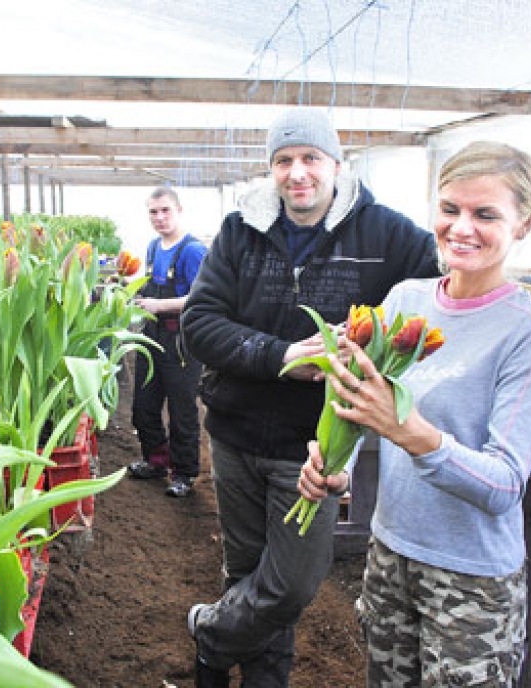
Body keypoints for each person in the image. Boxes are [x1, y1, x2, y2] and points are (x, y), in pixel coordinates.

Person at [180, 107, 440, 687]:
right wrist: (281, 356)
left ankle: (210, 638)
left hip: (316, 446)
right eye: (283, 160)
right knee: (246, 572)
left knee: (291, 584)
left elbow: (443, 284)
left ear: (337, 165)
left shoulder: (387, 235)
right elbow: (199, 322)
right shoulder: (240, 231)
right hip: (235, 432)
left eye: (310, 158)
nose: (297, 173)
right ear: (271, 169)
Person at [298, 141, 531, 686]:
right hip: (389, 554)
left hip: (470, 581)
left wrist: (412, 432)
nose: (461, 228)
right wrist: (337, 467)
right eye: (450, 209)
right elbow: (369, 414)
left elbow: (503, 484)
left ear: (525, 222)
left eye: (485, 214)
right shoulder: (406, 301)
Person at [129, 187, 208, 498]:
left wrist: (159, 305)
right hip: (151, 335)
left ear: (179, 211)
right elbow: (150, 285)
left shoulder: (193, 251)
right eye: (153, 212)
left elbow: (202, 297)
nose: (159, 217)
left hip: (180, 342)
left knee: (182, 409)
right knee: (144, 405)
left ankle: (185, 473)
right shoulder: (153, 247)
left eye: (165, 210)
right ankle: (156, 460)